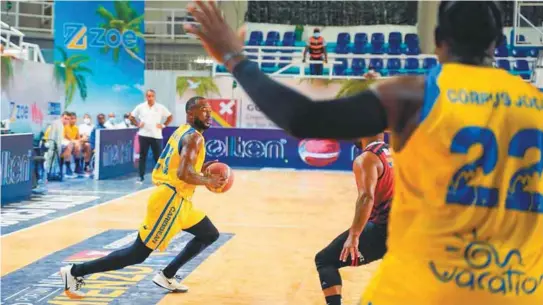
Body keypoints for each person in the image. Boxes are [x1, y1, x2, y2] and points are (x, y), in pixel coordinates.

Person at [186, 1, 543, 304]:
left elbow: (304, 117)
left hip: (424, 287)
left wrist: (234, 58)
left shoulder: (415, 95)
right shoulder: (537, 106)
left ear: (437, 41)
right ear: (500, 41)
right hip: (521, 290)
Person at [60, 96, 227, 299]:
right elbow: (184, 174)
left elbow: (181, 167)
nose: (208, 114)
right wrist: (207, 180)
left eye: (210, 110)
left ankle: (167, 274)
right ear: (191, 113)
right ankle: (75, 271)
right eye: (203, 110)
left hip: (181, 199)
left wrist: (203, 169)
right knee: (137, 254)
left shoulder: (183, 132)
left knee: (209, 234)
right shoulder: (194, 137)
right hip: (170, 200)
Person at [315, 134, 393, 305]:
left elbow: (366, 197)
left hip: (383, 231)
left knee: (325, 260)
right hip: (404, 229)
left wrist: (354, 235)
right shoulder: (394, 153)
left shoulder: (367, 159)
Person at [129, 89, 173, 184]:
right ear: (146, 97)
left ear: (154, 96)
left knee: (158, 157)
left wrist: (163, 125)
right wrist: (137, 124)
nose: (150, 98)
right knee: (142, 156)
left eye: (152, 96)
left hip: (156, 135)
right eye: (148, 96)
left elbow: (170, 117)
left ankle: (160, 177)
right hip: (143, 135)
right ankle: (140, 176)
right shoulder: (140, 107)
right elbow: (131, 116)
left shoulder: (160, 107)